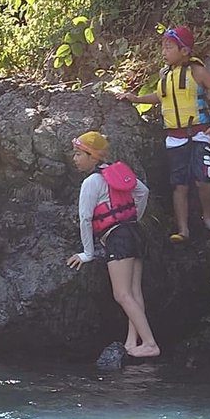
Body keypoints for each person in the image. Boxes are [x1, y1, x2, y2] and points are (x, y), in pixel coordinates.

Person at [116, 25, 210, 242]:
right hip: (175, 138)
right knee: (179, 184)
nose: (164, 52)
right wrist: (136, 98)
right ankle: (183, 229)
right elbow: (161, 97)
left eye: (169, 47)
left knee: (202, 179)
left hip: (199, 134)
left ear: (184, 51)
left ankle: (209, 218)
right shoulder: (164, 74)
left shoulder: (197, 72)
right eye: (163, 47)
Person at [66, 132, 159, 358]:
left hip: (118, 238)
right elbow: (142, 192)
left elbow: (86, 218)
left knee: (122, 294)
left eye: (79, 154)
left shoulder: (91, 182)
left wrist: (88, 253)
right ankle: (131, 341)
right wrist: (133, 218)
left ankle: (149, 344)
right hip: (134, 232)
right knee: (134, 292)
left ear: (92, 156)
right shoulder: (116, 173)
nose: (74, 159)